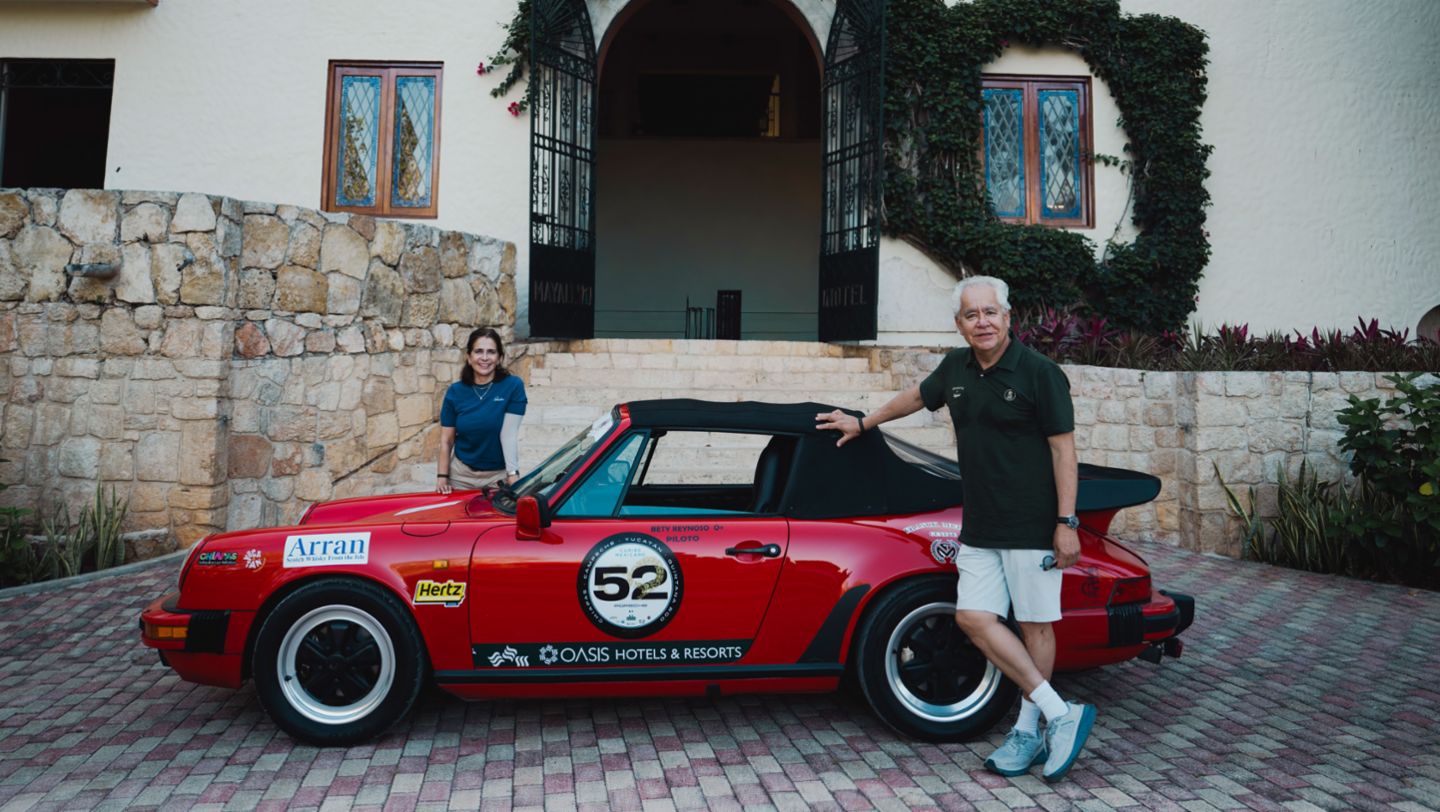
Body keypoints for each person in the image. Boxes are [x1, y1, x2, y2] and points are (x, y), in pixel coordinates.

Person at [816, 276, 1094, 782]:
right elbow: (915, 397)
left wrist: (1066, 522)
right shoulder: (955, 368)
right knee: (973, 618)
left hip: (1034, 524)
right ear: (959, 324)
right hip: (981, 525)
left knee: (1034, 625)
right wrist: (865, 422)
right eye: (972, 315)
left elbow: (1064, 451)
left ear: (1008, 318)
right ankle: (1060, 712)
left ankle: (1029, 731)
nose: (982, 322)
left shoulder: (1040, 373)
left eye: (991, 313)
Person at [437, 328, 527, 494]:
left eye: (491, 352)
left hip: (497, 478)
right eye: (478, 351)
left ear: (499, 358)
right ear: (469, 357)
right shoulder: (455, 392)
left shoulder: (513, 386)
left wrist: (512, 474)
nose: (484, 358)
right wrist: (442, 477)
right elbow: (446, 440)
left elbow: (508, 434)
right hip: (460, 476)